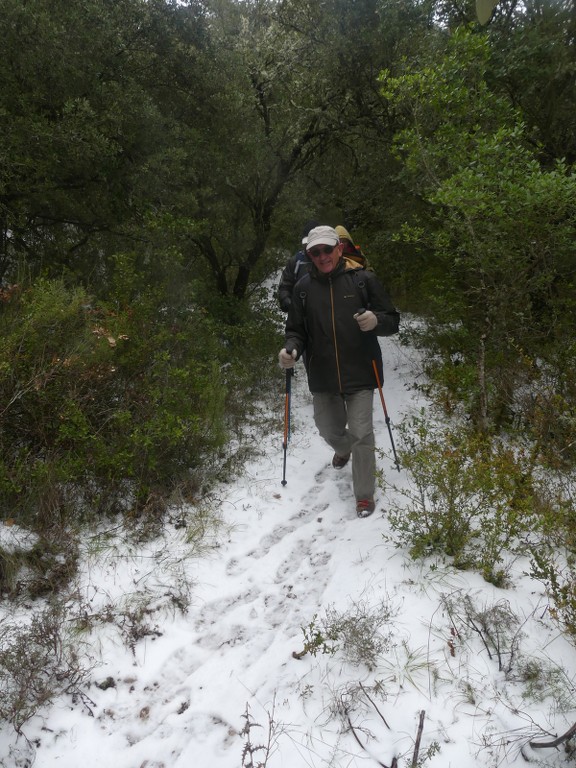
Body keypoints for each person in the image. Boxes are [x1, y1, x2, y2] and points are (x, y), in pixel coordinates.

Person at [278, 225, 399, 518]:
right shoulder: (302, 289)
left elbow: (392, 320)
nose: (322, 256)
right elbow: (296, 331)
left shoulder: (363, 280)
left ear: (339, 249)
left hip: (361, 371)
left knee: (362, 433)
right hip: (323, 375)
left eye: (327, 250)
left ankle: (364, 496)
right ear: (309, 255)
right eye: (315, 252)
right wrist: (291, 350)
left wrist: (376, 321)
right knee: (328, 429)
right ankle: (344, 449)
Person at [277, 220, 319, 312]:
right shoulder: (295, 261)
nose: (308, 247)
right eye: (306, 243)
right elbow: (284, 286)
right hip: (300, 314)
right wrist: (286, 300)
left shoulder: (328, 260)